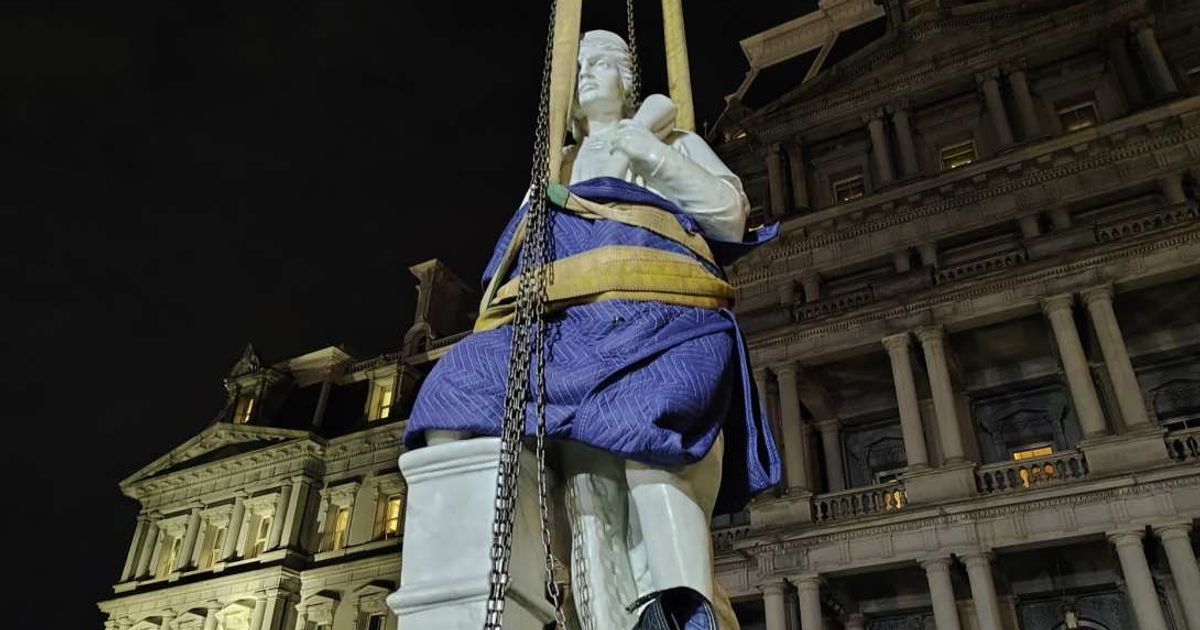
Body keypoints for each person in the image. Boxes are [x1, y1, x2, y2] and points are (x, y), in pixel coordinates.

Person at [405, 30, 780, 629]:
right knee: (451, 389)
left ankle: (681, 611)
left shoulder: (671, 138)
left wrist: (649, 152)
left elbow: (729, 216)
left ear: (630, 82)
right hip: (566, 327)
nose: (585, 73)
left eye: (602, 63)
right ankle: (472, 588)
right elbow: (508, 263)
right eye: (576, 67)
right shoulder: (560, 165)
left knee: (652, 423)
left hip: (663, 316)